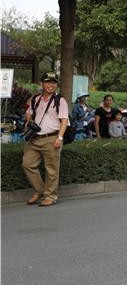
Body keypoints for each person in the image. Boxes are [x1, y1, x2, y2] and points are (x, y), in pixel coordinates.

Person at [22, 71, 68, 207]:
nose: (50, 85)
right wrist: (28, 121)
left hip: (52, 138)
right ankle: (40, 190)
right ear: (42, 83)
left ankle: (51, 196)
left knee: (52, 169)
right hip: (35, 138)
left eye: (53, 83)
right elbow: (29, 114)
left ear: (56, 85)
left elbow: (64, 120)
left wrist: (60, 137)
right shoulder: (35, 99)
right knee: (27, 164)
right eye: (48, 82)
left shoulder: (60, 100)